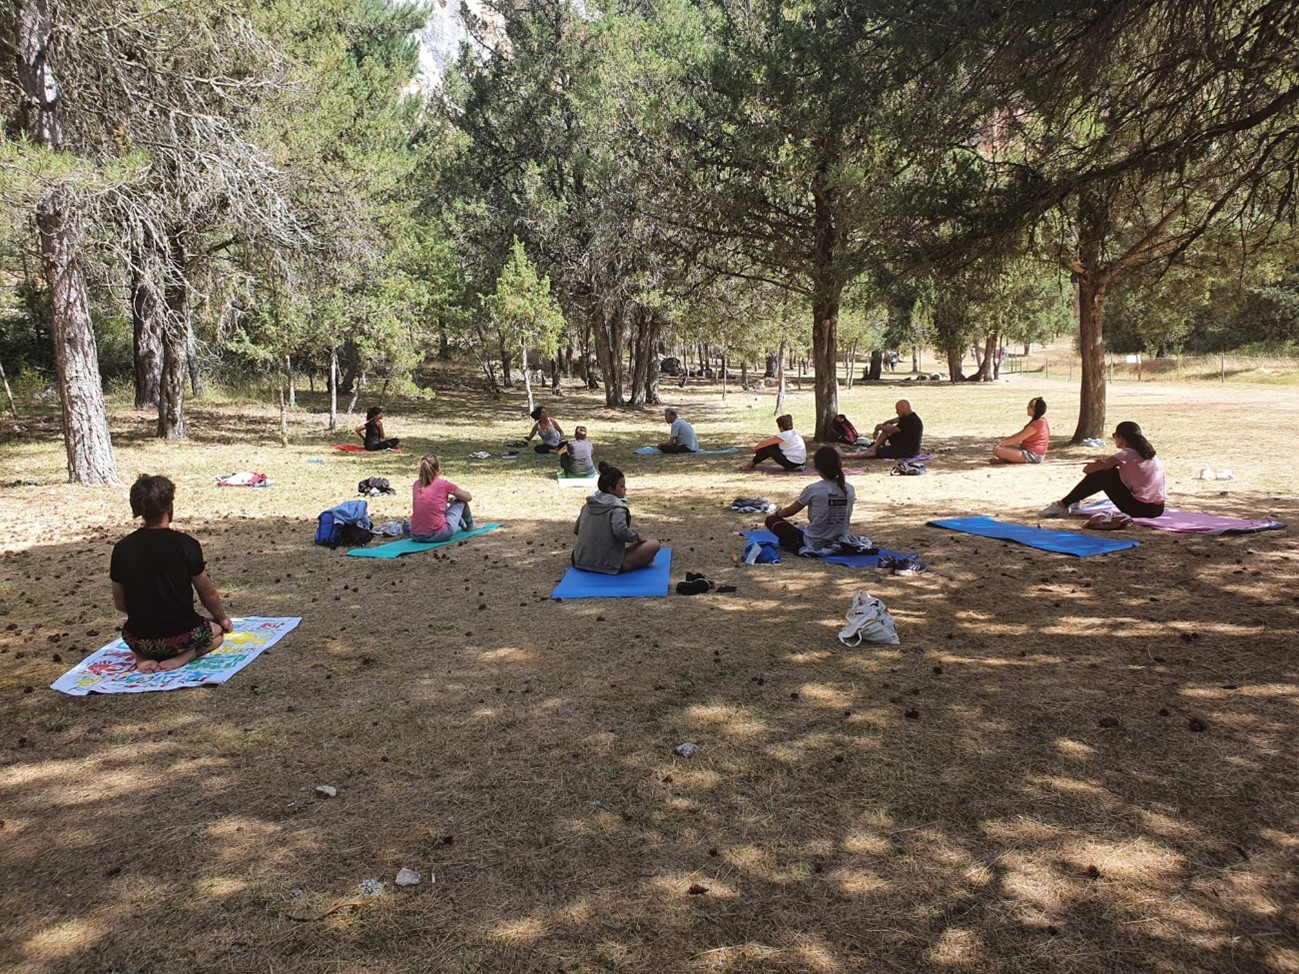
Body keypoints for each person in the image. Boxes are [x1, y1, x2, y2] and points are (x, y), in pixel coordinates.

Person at [110, 475, 233, 673]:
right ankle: (188, 655)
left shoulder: (121, 549)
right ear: (168, 506)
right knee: (217, 632)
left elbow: (120, 604)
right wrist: (222, 618)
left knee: (147, 638)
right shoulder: (186, 545)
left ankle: (142, 657)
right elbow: (208, 594)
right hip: (181, 636)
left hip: (139, 639)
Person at [1039, 421, 1166, 519]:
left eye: (1114, 436)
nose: (1114, 438)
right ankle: (1073, 500)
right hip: (1158, 509)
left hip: (1140, 509)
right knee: (1108, 473)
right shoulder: (1149, 454)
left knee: (1103, 475)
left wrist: (1100, 464)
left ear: (1121, 437)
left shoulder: (1125, 455)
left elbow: (1088, 470)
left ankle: (1063, 504)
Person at [571, 462, 661, 573]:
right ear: (611, 489)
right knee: (654, 544)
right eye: (622, 486)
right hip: (609, 563)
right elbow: (621, 531)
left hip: (580, 560)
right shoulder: (617, 508)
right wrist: (636, 537)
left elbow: (576, 530)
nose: (625, 489)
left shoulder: (588, 505)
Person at [764, 447, 857, 552]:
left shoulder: (813, 489)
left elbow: (789, 511)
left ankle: (790, 542)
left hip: (813, 541)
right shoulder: (850, 489)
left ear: (817, 468)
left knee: (771, 520)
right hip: (840, 538)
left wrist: (777, 514)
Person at [411, 454, 474, 543]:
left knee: (442, 509)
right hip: (438, 534)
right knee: (460, 501)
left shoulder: (416, 484)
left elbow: (426, 502)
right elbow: (468, 497)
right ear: (438, 470)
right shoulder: (444, 484)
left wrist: (444, 500)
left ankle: (463, 524)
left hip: (415, 535)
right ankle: (470, 526)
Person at [839, 400, 923, 460]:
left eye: (898, 410)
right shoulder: (908, 417)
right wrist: (881, 426)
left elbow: (892, 430)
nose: (896, 412)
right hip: (902, 446)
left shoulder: (910, 420)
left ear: (904, 408)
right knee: (887, 427)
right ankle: (875, 446)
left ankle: (845, 455)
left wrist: (879, 427)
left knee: (873, 453)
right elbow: (890, 422)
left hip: (906, 451)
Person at [992, 397, 1050, 463]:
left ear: (1034, 409)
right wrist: (1005, 442)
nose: (1027, 408)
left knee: (997, 450)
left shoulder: (1038, 423)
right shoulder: (1040, 421)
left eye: (1029, 407)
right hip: (1027, 450)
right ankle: (1007, 460)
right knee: (1005, 446)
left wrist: (1001, 443)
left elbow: (1018, 438)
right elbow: (1019, 435)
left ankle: (1009, 460)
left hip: (1033, 455)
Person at [741, 414, 807, 471]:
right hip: (800, 462)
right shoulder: (794, 433)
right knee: (772, 446)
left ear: (780, 427)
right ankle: (752, 463)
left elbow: (764, 443)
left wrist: (755, 448)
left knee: (770, 447)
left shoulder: (785, 435)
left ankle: (751, 464)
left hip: (792, 463)